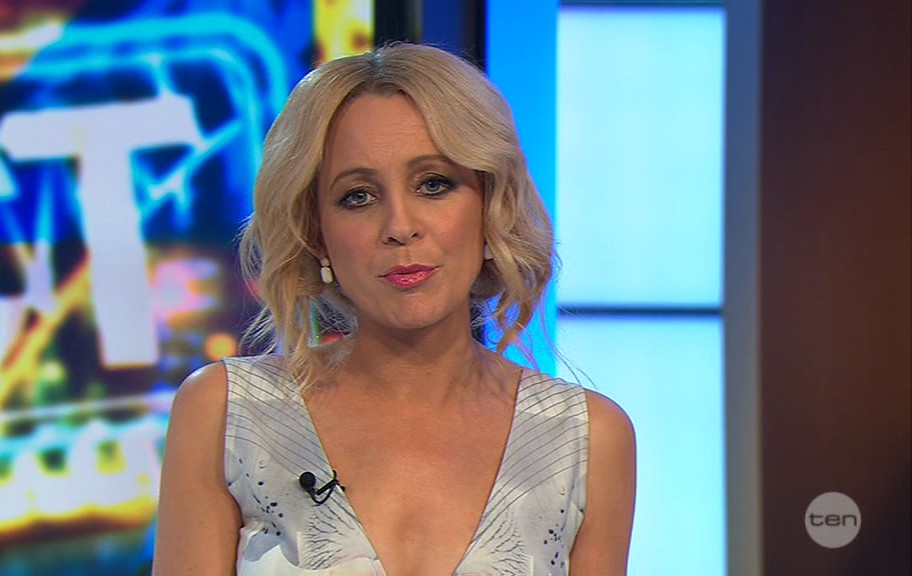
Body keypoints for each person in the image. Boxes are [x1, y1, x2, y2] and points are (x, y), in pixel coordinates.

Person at [152, 42, 635, 575]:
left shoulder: (585, 437)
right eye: (358, 196)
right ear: (317, 233)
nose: (400, 227)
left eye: (434, 184)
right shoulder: (227, 412)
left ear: (490, 206)